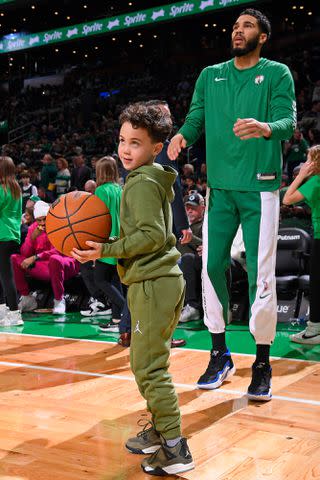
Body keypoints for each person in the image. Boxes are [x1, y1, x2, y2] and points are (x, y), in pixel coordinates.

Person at [168, 8, 296, 401]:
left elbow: (288, 122)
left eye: (248, 26)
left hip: (260, 189)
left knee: (261, 276)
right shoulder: (211, 75)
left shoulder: (277, 73)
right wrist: (181, 137)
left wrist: (265, 128)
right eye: (236, 26)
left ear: (263, 36)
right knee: (210, 267)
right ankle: (220, 352)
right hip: (220, 189)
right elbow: (196, 117)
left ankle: (261, 362)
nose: (238, 31)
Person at [72, 102, 194, 476]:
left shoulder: (140, 182)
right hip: (160, 281)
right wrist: (111, 241)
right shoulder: (149, 176)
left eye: (136, 143)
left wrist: (105, 248)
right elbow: (148, 233)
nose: (126, 149)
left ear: (156, 147)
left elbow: (152, 236)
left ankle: (175, 448)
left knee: (149, 367)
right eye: (122, 140)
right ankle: (160, 432)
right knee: (150, 363)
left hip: (153, 284)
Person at [11, 201, 79, 315]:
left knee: (55, 259)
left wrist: (36, 257)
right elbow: (25, 253)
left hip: (66, 262)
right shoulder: (33, 228)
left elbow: (58, 251)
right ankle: (27, 298)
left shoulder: (60, 225)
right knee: (14, 258)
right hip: (44, 265)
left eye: (45, 219)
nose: (42, 223)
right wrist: (32, 238)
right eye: (39, 220)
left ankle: (59, 300)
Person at [283, 145, 320, 344]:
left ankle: (313, 331)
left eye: (308, 160)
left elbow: (287, 199)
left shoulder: (315, 181)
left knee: (316, 285)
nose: (305, 164)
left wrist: (301, 175)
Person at [85, 156, 125, 332]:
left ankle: (126, 309)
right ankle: (117, 321)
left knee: (100, 279)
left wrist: (95, 244)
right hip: (120, 241)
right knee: (115, 281)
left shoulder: (101, 190)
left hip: (106, 241)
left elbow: (99, 220)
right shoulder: (120, 190)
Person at [0, 156, 23, 326]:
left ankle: (14, 314)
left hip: (3, 235)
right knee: (3, 275)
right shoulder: (16, 188)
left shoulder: (2, 189)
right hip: (13, 235)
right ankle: (3, 311)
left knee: (6, 277)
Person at [178, 192, 205, 323]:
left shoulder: (206, 225)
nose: (189, 210)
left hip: (196, 264)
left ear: (203, 208)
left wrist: (189, 236)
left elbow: (207, 246)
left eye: (193, 207)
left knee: (187, 258)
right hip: (177, 263)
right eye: (187, 207)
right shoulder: (181, 226)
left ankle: (193, 306)